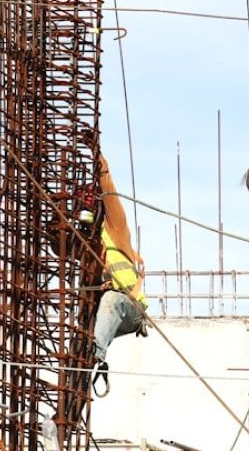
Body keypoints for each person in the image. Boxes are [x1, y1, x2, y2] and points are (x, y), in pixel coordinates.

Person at [91, 155, 148, 390]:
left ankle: (97, 353)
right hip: (108, 315)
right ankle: (88, 356)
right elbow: (56, 244)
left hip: (131, 309)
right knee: (84, 327)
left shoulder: (114, 230)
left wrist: (99, 162)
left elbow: (109, 193)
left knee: (111, 299)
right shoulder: (87, 245)